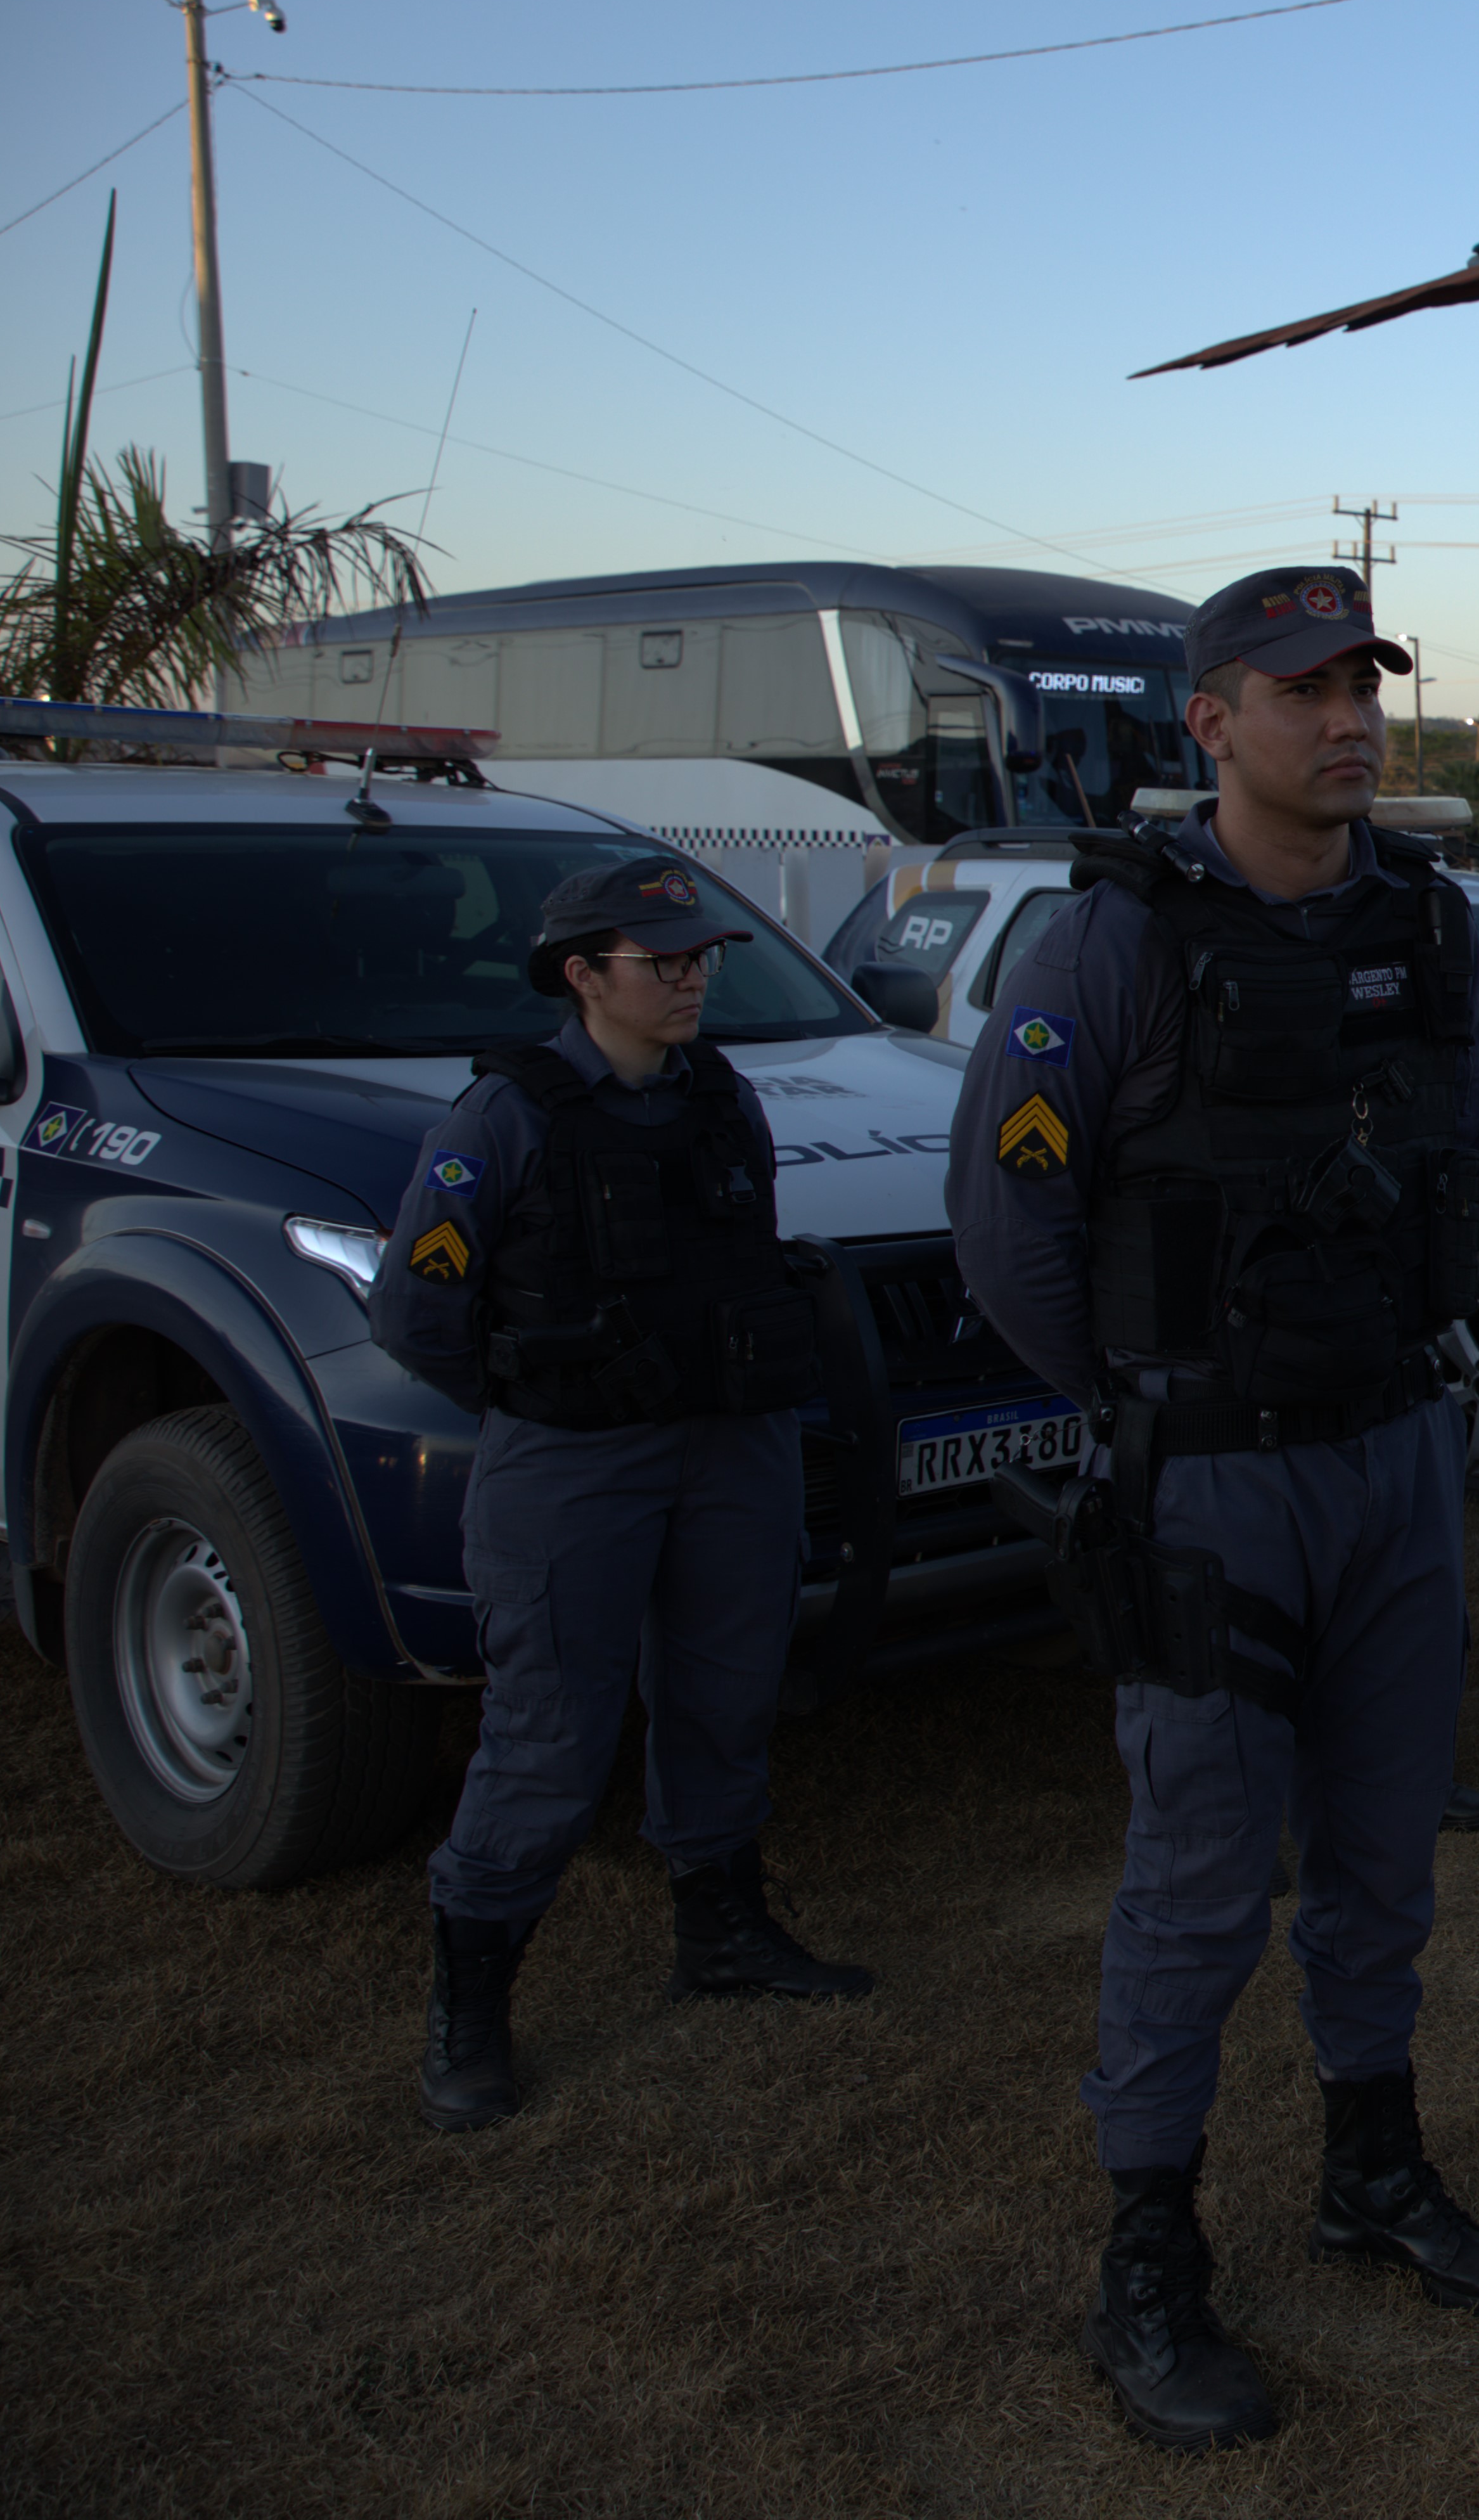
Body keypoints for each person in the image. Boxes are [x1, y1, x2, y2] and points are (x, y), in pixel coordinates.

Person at [949, 566, 1479, 2453]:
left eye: (1364, 681)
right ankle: (1150, 2256)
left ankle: (1370, 2173)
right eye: (1302, 689)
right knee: (1203, 1885)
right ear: (1209, 721)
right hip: (1212, 1476)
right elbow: (1008, 1232)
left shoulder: (1434, 927)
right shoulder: (1112, 944)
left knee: (1381, 1857)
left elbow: (1453, 1166)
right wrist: (1158, 1402)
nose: (1349, 717)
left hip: (1395, 1461)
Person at [375, 858, 869, 2136]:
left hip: (726, 1449)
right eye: (663, 961)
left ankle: (723, 1934)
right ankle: (472, 2011)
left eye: (701, 954)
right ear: (585, 976)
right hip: (575, 1458)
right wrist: (552, 1391)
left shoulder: (722, 1096)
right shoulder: (505, 1117)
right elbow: (419, 1310)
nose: (694, 976)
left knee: (725, 1693)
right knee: (550, 1730)